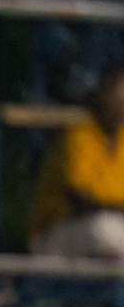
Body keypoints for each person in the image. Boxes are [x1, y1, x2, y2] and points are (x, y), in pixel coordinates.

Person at [30, 64, 124, 259]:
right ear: (100, 96)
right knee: (106, 229)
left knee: (113, 230)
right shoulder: (79, 134)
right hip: (58, 232)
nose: (119, 104)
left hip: (111, 227)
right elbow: (79, 201)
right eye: (116, 96)